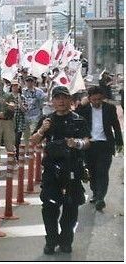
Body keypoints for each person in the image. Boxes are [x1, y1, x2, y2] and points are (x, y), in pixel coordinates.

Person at [29, 86, 90, 255]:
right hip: (51, 171)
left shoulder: (79, 120)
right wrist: (43, 129)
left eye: (64, 97)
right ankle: (51, 240)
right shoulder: (47, 119)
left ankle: (66, 240)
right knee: (49, 208)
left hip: (72, 170)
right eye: (57, 98)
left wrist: (76, 143)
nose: (61, 101)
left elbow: (87, 142)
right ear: (52, 101)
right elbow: (33, 141)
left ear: (70, 100)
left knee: (71, 209)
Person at [76, 86, 123, 211]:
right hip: (89, 144)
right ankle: (96, 193)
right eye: (94, 100)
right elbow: (75, 116)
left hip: (105, 145)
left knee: (102, 171)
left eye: (99, 99)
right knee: (92, 171)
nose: (97, 102)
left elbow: (116, 126)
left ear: (102, 98)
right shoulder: (85, 109)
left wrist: (119, 142)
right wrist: (81, 104)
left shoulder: (110, 108)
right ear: (89, 99)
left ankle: (101, 197)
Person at [22, 75, 46, 151]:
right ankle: (27, 150)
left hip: (35, 115)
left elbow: (43, 102)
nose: (29, 83)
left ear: (34, 82)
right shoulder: (23, 91)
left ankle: (35, 149)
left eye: (31, 81)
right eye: (28, 81)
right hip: (25, 115)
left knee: (33, 133)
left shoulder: (39, 92)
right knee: (26, 135)